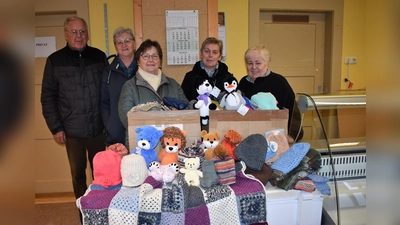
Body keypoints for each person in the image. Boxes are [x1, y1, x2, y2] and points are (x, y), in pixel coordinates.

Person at [40, 16, 108, 202]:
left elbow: (107, 92)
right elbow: (47, 97)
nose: (79, 36)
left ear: (87, 34)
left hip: (98, 130)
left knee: (101, 173)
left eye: (82, 32)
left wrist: (108, 122)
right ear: (66, 35)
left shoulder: (99, 56)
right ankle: (82, 211)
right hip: (72, 132)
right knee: (78, 175)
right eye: (74, 32)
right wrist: (56, 128)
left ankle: (100, 207)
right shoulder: (55, 61)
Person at [118, 39, 188, 148]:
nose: (150, 59)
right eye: (145, 56)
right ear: (138, 61)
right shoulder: (130, 86)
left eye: (155, 56)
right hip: (142, 147)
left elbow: (186, 113)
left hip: (172, 146)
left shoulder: (173, 84)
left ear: (160, 61)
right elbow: (127, 119)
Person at [238, 45, 303, 141]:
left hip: (274, 136)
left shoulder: (278, 81)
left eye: (258, 63)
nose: (253, 67)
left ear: (266, 64)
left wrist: (292, 135)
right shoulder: (243, 82)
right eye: (250, 63)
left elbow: (292, 109)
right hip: (249, 135)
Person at [101, 27, 137, 146]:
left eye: (127, 40)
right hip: (116, 134)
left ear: (134, 44)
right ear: (115, 47)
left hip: (141, 132)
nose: (124, 45)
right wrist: (109, 125)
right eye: (119, 42)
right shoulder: (108, 72)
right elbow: (104, 102)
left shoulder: (145, 68)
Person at [181, 37, 234, 101]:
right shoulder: (190, 77)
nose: (210, 55)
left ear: (220, 57)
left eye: (215, 52)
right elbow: (184, 103)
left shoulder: (228, 78)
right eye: (207, 51)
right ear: (201, 54)